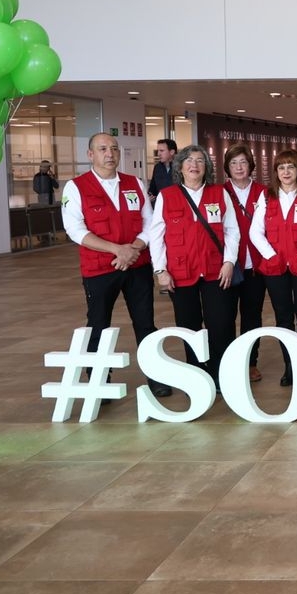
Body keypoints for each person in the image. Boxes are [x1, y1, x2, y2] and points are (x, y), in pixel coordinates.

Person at [61, 133, 170, 398]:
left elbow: (150, 222)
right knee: (98, 323)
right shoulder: (76, 187)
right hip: (100, 268)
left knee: (145, 323)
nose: (109, 154)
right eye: (102, 149)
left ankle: (156, 377)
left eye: (113, 149)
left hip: (137, 265)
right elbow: (75, 230)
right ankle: (99, 381)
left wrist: (133, 248)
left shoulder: (134, 183)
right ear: (90, 155)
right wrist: (116, 249)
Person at [151, 144, 240, 389]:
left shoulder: (219, 193)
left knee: (220, 324)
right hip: (180, 273)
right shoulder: (166, 196)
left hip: (215, 271)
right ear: (180, 166)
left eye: (200, 161)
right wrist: (160, 270)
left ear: (206, 167)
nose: (194, 165)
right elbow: (156, 235)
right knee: (188, 325)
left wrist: (229, 261)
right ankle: (195, 373)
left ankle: (220, 372)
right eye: (189, 160)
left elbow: (232, 231)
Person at [250, 150, 297, 387]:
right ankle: (290, 365)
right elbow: (255, 231)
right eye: (281, 168)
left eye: (291, 167)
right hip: (275, 267)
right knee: (283, 318)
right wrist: (270, 254)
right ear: (276, 172)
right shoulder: (266, 196)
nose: (286, 172)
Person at [222, 144, 267, 383]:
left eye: (243, 162)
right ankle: (230, 360)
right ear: (227, 167)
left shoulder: (264, 191)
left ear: (251, 165)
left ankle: (251, 362)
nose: (239, 167)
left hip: (255, 266)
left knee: (252, 315)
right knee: (225, 316)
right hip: (229, 264)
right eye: (233, 163)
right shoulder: (218, 192)